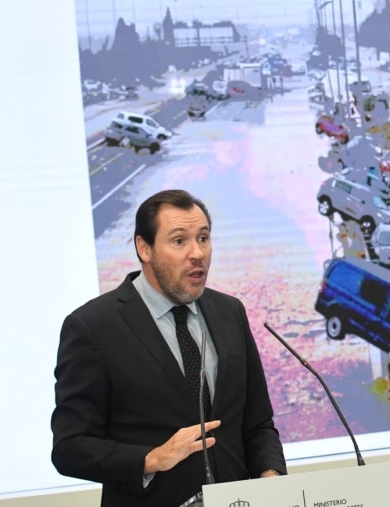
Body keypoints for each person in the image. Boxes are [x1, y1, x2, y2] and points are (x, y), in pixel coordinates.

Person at [52, 189, 285, 507]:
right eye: (179, 241)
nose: (197, 253)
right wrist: (150, 458)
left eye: (203, 238)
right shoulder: (93, 327)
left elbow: (257, 424)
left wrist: (270, 477)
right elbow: (70, 448)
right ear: (144, 248)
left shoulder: (229, 312)